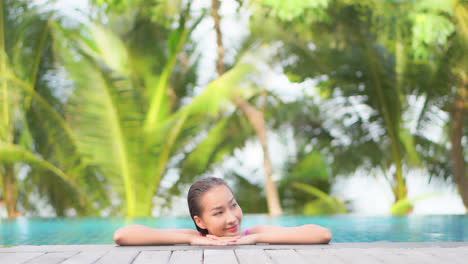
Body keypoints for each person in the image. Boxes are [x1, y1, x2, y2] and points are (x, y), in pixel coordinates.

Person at [113, 177, 332, 246]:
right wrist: (193, 241)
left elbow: (321, 234)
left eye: (233, 205)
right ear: (200, 221)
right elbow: (123, 235)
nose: (231, 218)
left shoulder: (253, 233)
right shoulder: (194, 236)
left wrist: (256, 239)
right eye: (218, 213)